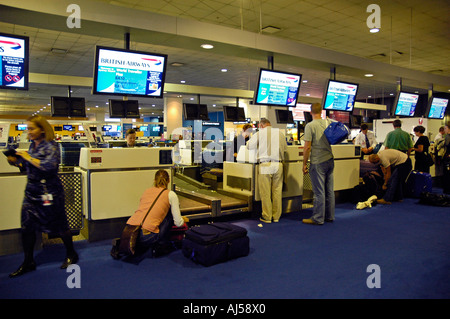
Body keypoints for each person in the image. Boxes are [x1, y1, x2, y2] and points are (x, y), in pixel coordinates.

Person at [6, 115, 78, 278]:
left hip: (49, 191)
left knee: (60, 224)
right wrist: (17, 161)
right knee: (27, 226)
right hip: (32, 192)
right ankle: (28, 261)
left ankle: (71, 253)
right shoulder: (32, 145)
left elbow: (49, 167)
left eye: (32, 128)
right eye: (28, 128)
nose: (29, 132)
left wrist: (26, 157)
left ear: (42, 129)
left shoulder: (51, 146)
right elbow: (29, 166)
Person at [111, 169, 188, 258]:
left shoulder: (147, 191)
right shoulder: (171, 194)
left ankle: (124, 243)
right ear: (169, 180)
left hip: (130, 229)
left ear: (154, 180)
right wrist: (183, 221)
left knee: (140, 236)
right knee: (169, 216)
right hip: (147, 235)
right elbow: (178, 223)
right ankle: (160, 246)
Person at [247, 118, 287, 223]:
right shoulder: (280, 133)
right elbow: (285, 149)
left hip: (265, 164)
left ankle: (267, 216)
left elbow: (249, 146)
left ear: (261, 125)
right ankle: (276, 216)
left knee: (265, 192)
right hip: (278, 164)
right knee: (277, 191)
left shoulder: (260, 133)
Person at [302, 103, 335, 225]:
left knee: (319, 191)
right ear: (321, 111)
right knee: (329, 190)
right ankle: (329, 216)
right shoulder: (327, 123)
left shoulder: (310, 126)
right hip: (330, 160)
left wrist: (304, 164)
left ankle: (318, 218)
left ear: (310, 112)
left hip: (318, 161)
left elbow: (307, 147)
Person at [443, 122, 450, 194]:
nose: (444, 130)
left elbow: (446, 146)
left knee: (447, 173)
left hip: (448, 157)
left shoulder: (447, 136)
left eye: (445, 128)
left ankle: (447, 189)